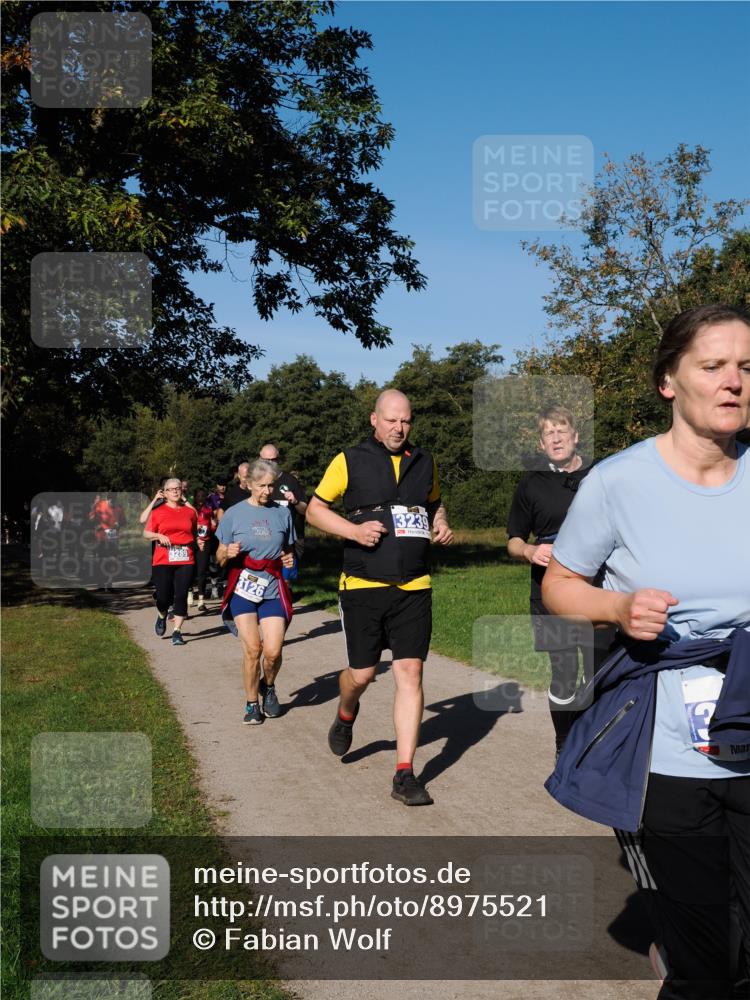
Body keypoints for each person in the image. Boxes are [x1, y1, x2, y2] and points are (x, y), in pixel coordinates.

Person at [542, 305, 750, 998]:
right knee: (705, 964)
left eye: (748, 367)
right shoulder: (619, 482)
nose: (734, 382)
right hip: (667, 758)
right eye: (713, 366)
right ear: (669, 380)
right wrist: (616, 608)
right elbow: (560, 585)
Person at [306, 389, 454, 807]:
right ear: (375, 420)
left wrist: (440, 523)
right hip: (364, 585)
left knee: (410, 672)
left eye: (406, 420)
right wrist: (353, 531)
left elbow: (435, 504)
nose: (399, 428)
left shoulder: (425, 461)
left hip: (414, 585)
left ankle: (404, 773)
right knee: (363, 674)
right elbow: (315, 510)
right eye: (391, 420)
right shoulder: (349, 459)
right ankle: (346, 709)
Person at [507, 405, 615, 756]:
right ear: (542, 443)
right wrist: (529, 552)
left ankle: (597, 744)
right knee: (566, 674)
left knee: (600, 671)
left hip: (598, 587)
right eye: (548, 433)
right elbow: (514, 539)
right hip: (550, 589)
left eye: (561, 430)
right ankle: (564, 743)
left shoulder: (601, 475)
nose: (555, 437)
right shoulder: (531, 484)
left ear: (576, 436)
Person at [215, 459, 296, 725]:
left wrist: (289, 559)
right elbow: (218, 557)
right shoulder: (233, 514)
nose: (267, 491)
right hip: (244, 588)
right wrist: (226, 553)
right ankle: (252, 704)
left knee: (273, 651)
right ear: (249, 484)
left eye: (271, 485)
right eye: (261, 486)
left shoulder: (282, 513)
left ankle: (268, 686)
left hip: (272, 586)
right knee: (253, 649)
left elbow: (289, 549)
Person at [143, 477, 202, 646]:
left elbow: (195, 531)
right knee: (163, 596)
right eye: (171, 489)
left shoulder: (189, 512)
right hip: (163, 559)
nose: (175, 491)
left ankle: (177, 631)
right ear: (165, 493)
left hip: (185, 558)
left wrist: (199, 540)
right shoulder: (158, 512)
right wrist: (158, 535)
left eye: (178, 488)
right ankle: (161, 615)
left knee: (181, 595)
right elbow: (146, 534)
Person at [259, 443, 308, 581]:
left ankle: (286, 597)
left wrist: (295, 502)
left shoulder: (289, 480)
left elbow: (305, 510)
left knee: (286, 581)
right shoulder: (256, 482)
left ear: (278, 459)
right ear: (259, 459)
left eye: (273, 460)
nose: (269, 463)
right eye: (265, 460)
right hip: (263, 538)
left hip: (288, 541)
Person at [192, 487, 216, 611]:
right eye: (199, 496)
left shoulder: (208, 510)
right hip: (191, 543)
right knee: (190, 571)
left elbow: (212, 527)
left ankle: (201, 601)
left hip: (205, 543)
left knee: (202, 571)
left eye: (203, 496)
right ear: (195, 496)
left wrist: (213, 525)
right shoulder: (190, 510)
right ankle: (189, 594)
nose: (201, 499)